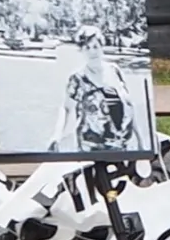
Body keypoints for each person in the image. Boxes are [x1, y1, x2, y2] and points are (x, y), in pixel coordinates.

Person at [47, 25, 140, 153]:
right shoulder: (78, 79)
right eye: (87, 47)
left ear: (102, 47)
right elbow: (67, 109)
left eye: (95, 46)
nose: (92, 51)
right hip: (91, 149)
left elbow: (129, 106)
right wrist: (57, 136)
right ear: (82, 51)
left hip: (122, 147)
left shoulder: (115, 71)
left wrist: (141, 141)